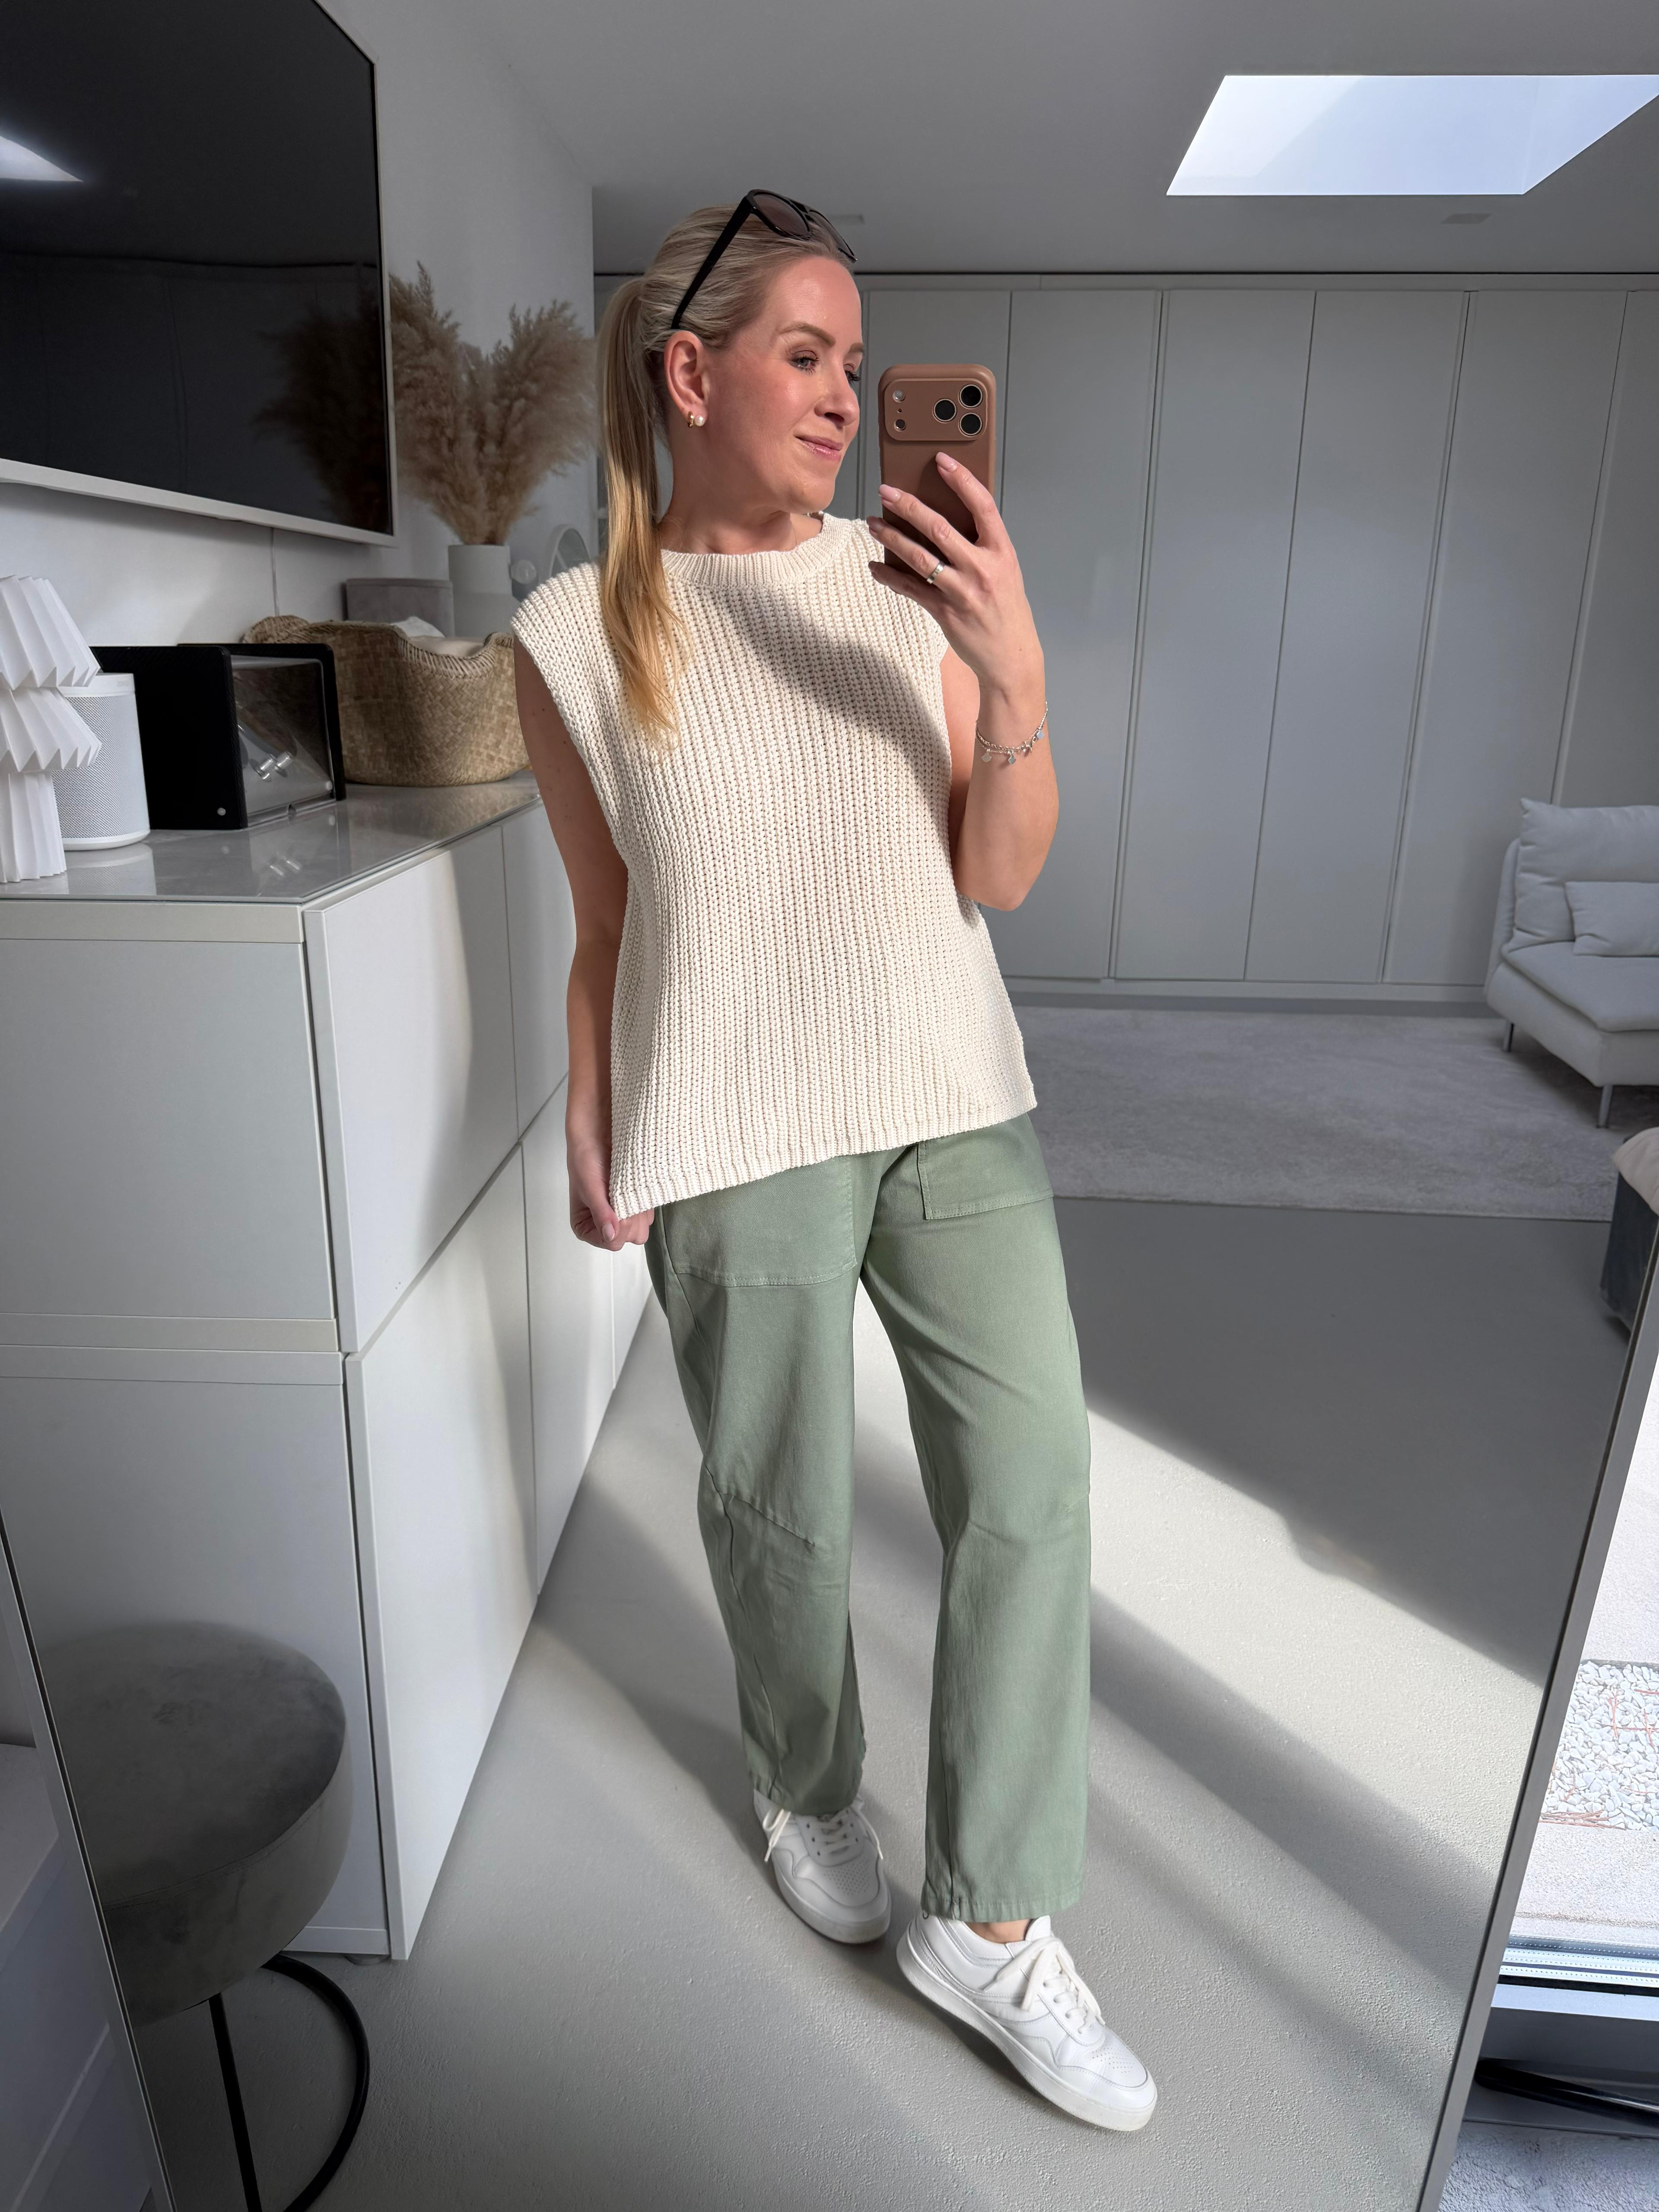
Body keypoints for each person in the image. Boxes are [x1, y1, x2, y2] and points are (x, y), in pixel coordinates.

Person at [512, 193, 1156, 2133]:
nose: (848, 397)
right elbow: (607, 920)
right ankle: (805, 1788)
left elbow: (994, 875)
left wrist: (1012, 673)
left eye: (859, 366)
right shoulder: (573, 632)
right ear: (690, 373)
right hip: (731, 1114)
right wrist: (587, 1100)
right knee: (774, 1502)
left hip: (949, 1088)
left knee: (1030, 1486)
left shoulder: (906, 579)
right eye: (807, 355)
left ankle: (995, 1917)